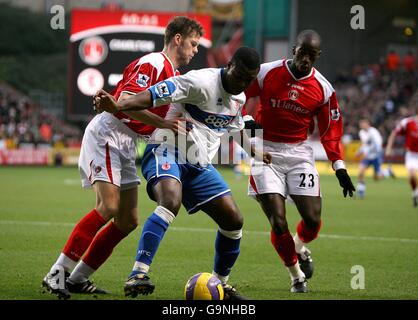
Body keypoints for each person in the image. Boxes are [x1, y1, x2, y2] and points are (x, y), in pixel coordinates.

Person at [41, 16, 204, 299]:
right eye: (193, 43)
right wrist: (164, 124)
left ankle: (78, 278)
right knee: (109, 206)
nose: (196, 50)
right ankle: (58, 272)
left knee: (128, 219)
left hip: (128, 142)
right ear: (177, 39)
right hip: (109, 133)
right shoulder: (154, 63)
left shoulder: (173, 76)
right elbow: (124, 100)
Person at [94, 46, 270, 300]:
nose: (242, 82)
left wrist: (254, 151)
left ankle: (220, 284)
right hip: (166, 149)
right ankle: (138, 273)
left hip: (198, 164)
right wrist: (118, 104)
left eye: (249, 79)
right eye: (239, 75)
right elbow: (153, 94)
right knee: (170, 201)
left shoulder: (239, 97)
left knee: (234, 221)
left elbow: (236, 126)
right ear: (229, 64)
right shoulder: (200, 81)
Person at [244, 30, 355, 293]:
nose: (305, 59)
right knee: (277, 220)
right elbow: (237, 93)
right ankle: (296, 276)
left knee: (313, 219)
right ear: (294, 50)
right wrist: (246, 121)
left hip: (299, 154)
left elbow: (330, 130)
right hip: (265, 150)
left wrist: (339, 166)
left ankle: (299, 246)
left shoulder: (324, 89)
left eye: (311, 55)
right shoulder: (266, 72)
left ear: (318, 56)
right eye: (302, 53)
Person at [386, 105, 418, 207]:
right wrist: (389, 147)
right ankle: (414, 192)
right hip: (412, 155)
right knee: (412, 176)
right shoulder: (408, 122)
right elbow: (394, 133)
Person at [355, 119, 385, 198]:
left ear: (367, 123)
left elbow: (378, 145)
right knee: (361, 172)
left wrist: (367, 152)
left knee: (376, 178)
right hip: (367, 157)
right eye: (360, 124)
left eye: (363, 124)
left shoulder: (373, 132)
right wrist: (359, 151)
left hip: (376, 156)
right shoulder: (361, 133)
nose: (361, 126)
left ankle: (387, 172)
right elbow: (365, 145)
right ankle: (361, 191)